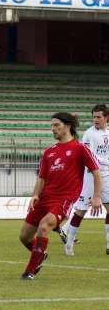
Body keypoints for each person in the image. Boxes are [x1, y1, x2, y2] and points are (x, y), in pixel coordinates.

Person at [20, 112, 102, 280]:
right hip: (45, 198)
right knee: (24, 237)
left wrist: (96, 196)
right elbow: (41, 177)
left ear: (68, 126)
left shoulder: (80, 148)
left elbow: (96, 172)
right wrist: (35, 194)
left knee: (44, 226)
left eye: (56, 125)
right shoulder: (49, 152)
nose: (53, 129)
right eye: (52, 125)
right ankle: (41, 254)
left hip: (64, 199)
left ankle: (30, 271)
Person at [60, 104, 109, 256]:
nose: (95, 119)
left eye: (99, 117)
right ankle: (69, 243)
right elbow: (89, 156)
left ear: (106, 118)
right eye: (94, 116)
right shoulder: (89, 134)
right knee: (81, 210)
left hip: (106, 175)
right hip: (91, 175)